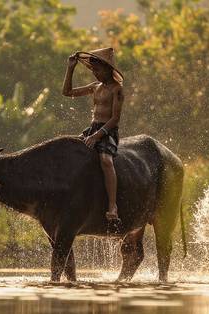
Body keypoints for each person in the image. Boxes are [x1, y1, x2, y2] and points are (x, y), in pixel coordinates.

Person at [61, 47, 125, 230]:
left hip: (107, 131)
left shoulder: (117, 89)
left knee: (105, 160)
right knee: (70, 151)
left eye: (98, 70)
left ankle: (112, 206)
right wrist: (70, 68)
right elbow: (67, 92)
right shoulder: (95, 87)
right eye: (93, 70)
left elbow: (115, 119)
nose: (95, 73)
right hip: (92, 128)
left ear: (108, 69)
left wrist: (97, 136)